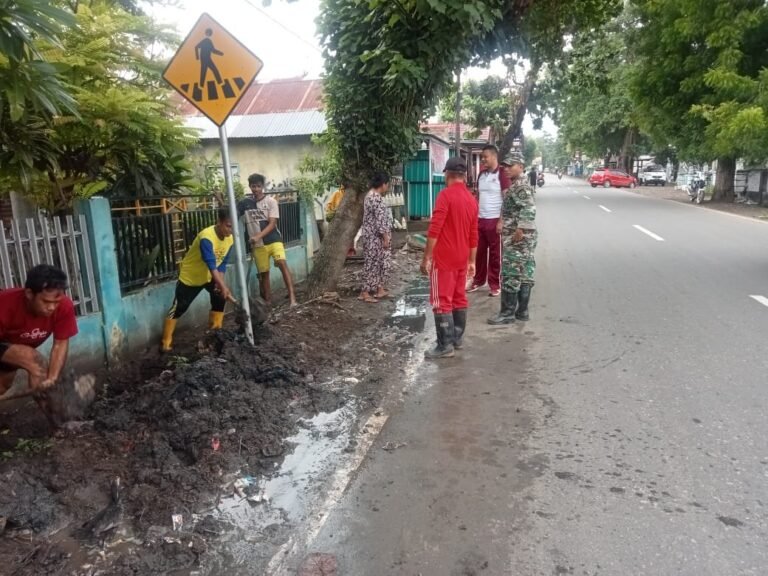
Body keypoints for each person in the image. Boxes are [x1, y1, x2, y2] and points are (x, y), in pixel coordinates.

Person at [420, 157, 478, 359]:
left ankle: (445, 346)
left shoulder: (445, 196)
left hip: (444, 258)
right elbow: (473, 234)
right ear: (464, 176)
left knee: (441, 300)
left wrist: (426, 257)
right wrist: (472, 261)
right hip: (462, 257)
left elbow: (434, 229)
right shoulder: (471, 199)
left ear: (448, 174)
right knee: (459, 297)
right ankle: (456, 339)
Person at [0, 264, 78, 411]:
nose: (52, 308)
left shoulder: (64, 306)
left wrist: (52, 379)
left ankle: (58, 421)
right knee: (34, 361)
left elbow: (60, 344)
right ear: (29, 294)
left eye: (56, 302)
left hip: (10, 345)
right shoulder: (4, 304)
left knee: (3, 385)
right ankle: (59, 421)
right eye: (46, 302)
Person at [161, 207, 235, 352]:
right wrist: (224, 287)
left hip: (210, 276)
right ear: (219, 222)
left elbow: (222, 264)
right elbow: (211, 264)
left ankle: (214, 334)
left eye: (233, 227)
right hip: (191, 277)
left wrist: (221, 285)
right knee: (179, 307)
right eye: (228, 226)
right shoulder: (206, 237)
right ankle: (166, 341)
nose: (230, 230)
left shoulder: (229, 239)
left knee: (219, 300)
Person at [489, 152, 537, 325]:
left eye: (511, 166)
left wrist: (520, 229)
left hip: (518, 239)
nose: (507, 169)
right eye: (505, 166)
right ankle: (522, 311)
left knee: (510, 273)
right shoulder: (518, 185)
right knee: (525, 273)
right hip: (523, 239)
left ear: (521, 167)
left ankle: (507, 313)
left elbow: (529, 208)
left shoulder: (521, 186)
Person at [237, 173, 297, 307]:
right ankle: (268, 302)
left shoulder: (271, 201)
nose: (256, 189)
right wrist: (220, 200)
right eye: (253, 186)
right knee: (264, 273)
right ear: (250, 187)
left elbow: (272, 223)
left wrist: (258, 235)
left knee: (282, 263)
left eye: (258, 186)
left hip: (274, 240)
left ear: (262, 186)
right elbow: (231, 212)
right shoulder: (245, 204)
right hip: (257, 245)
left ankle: (293, 298)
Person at [469, 145, 510, 297]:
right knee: (478, 252)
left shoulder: (502, 174)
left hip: (494, 219)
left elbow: (506, 199)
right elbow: (478, 197)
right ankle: (478, 280)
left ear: (494, 156)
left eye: (485, 156)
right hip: (480, 219)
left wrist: (501, 220)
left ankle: (495, 284)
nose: (483, 159)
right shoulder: (481, 175)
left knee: (495, 254)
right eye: (482, 156)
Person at [359, 172, 392, 303]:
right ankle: (365, 292)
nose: (387, 187)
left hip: (370, 235)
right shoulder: (376, 198)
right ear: (383, 184)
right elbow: (380, 220)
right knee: (373, 264)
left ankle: (379, 289)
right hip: (375, 237)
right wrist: (385, 237)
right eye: (387, 185)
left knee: (378, 263)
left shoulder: (369, 195)